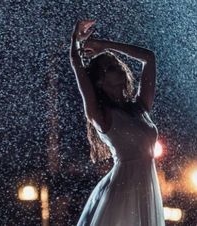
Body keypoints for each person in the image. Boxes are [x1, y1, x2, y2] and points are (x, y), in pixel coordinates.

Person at [70, 19, 166, 226]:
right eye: (111, 67)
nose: (119, 68)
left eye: (117, 64)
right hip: (122, 191)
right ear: (100, 81)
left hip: (147, 189)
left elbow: (149, 58)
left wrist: (106, 45)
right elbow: (76, 64)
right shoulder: (100, 114)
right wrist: (76, 41)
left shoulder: (139, 107)